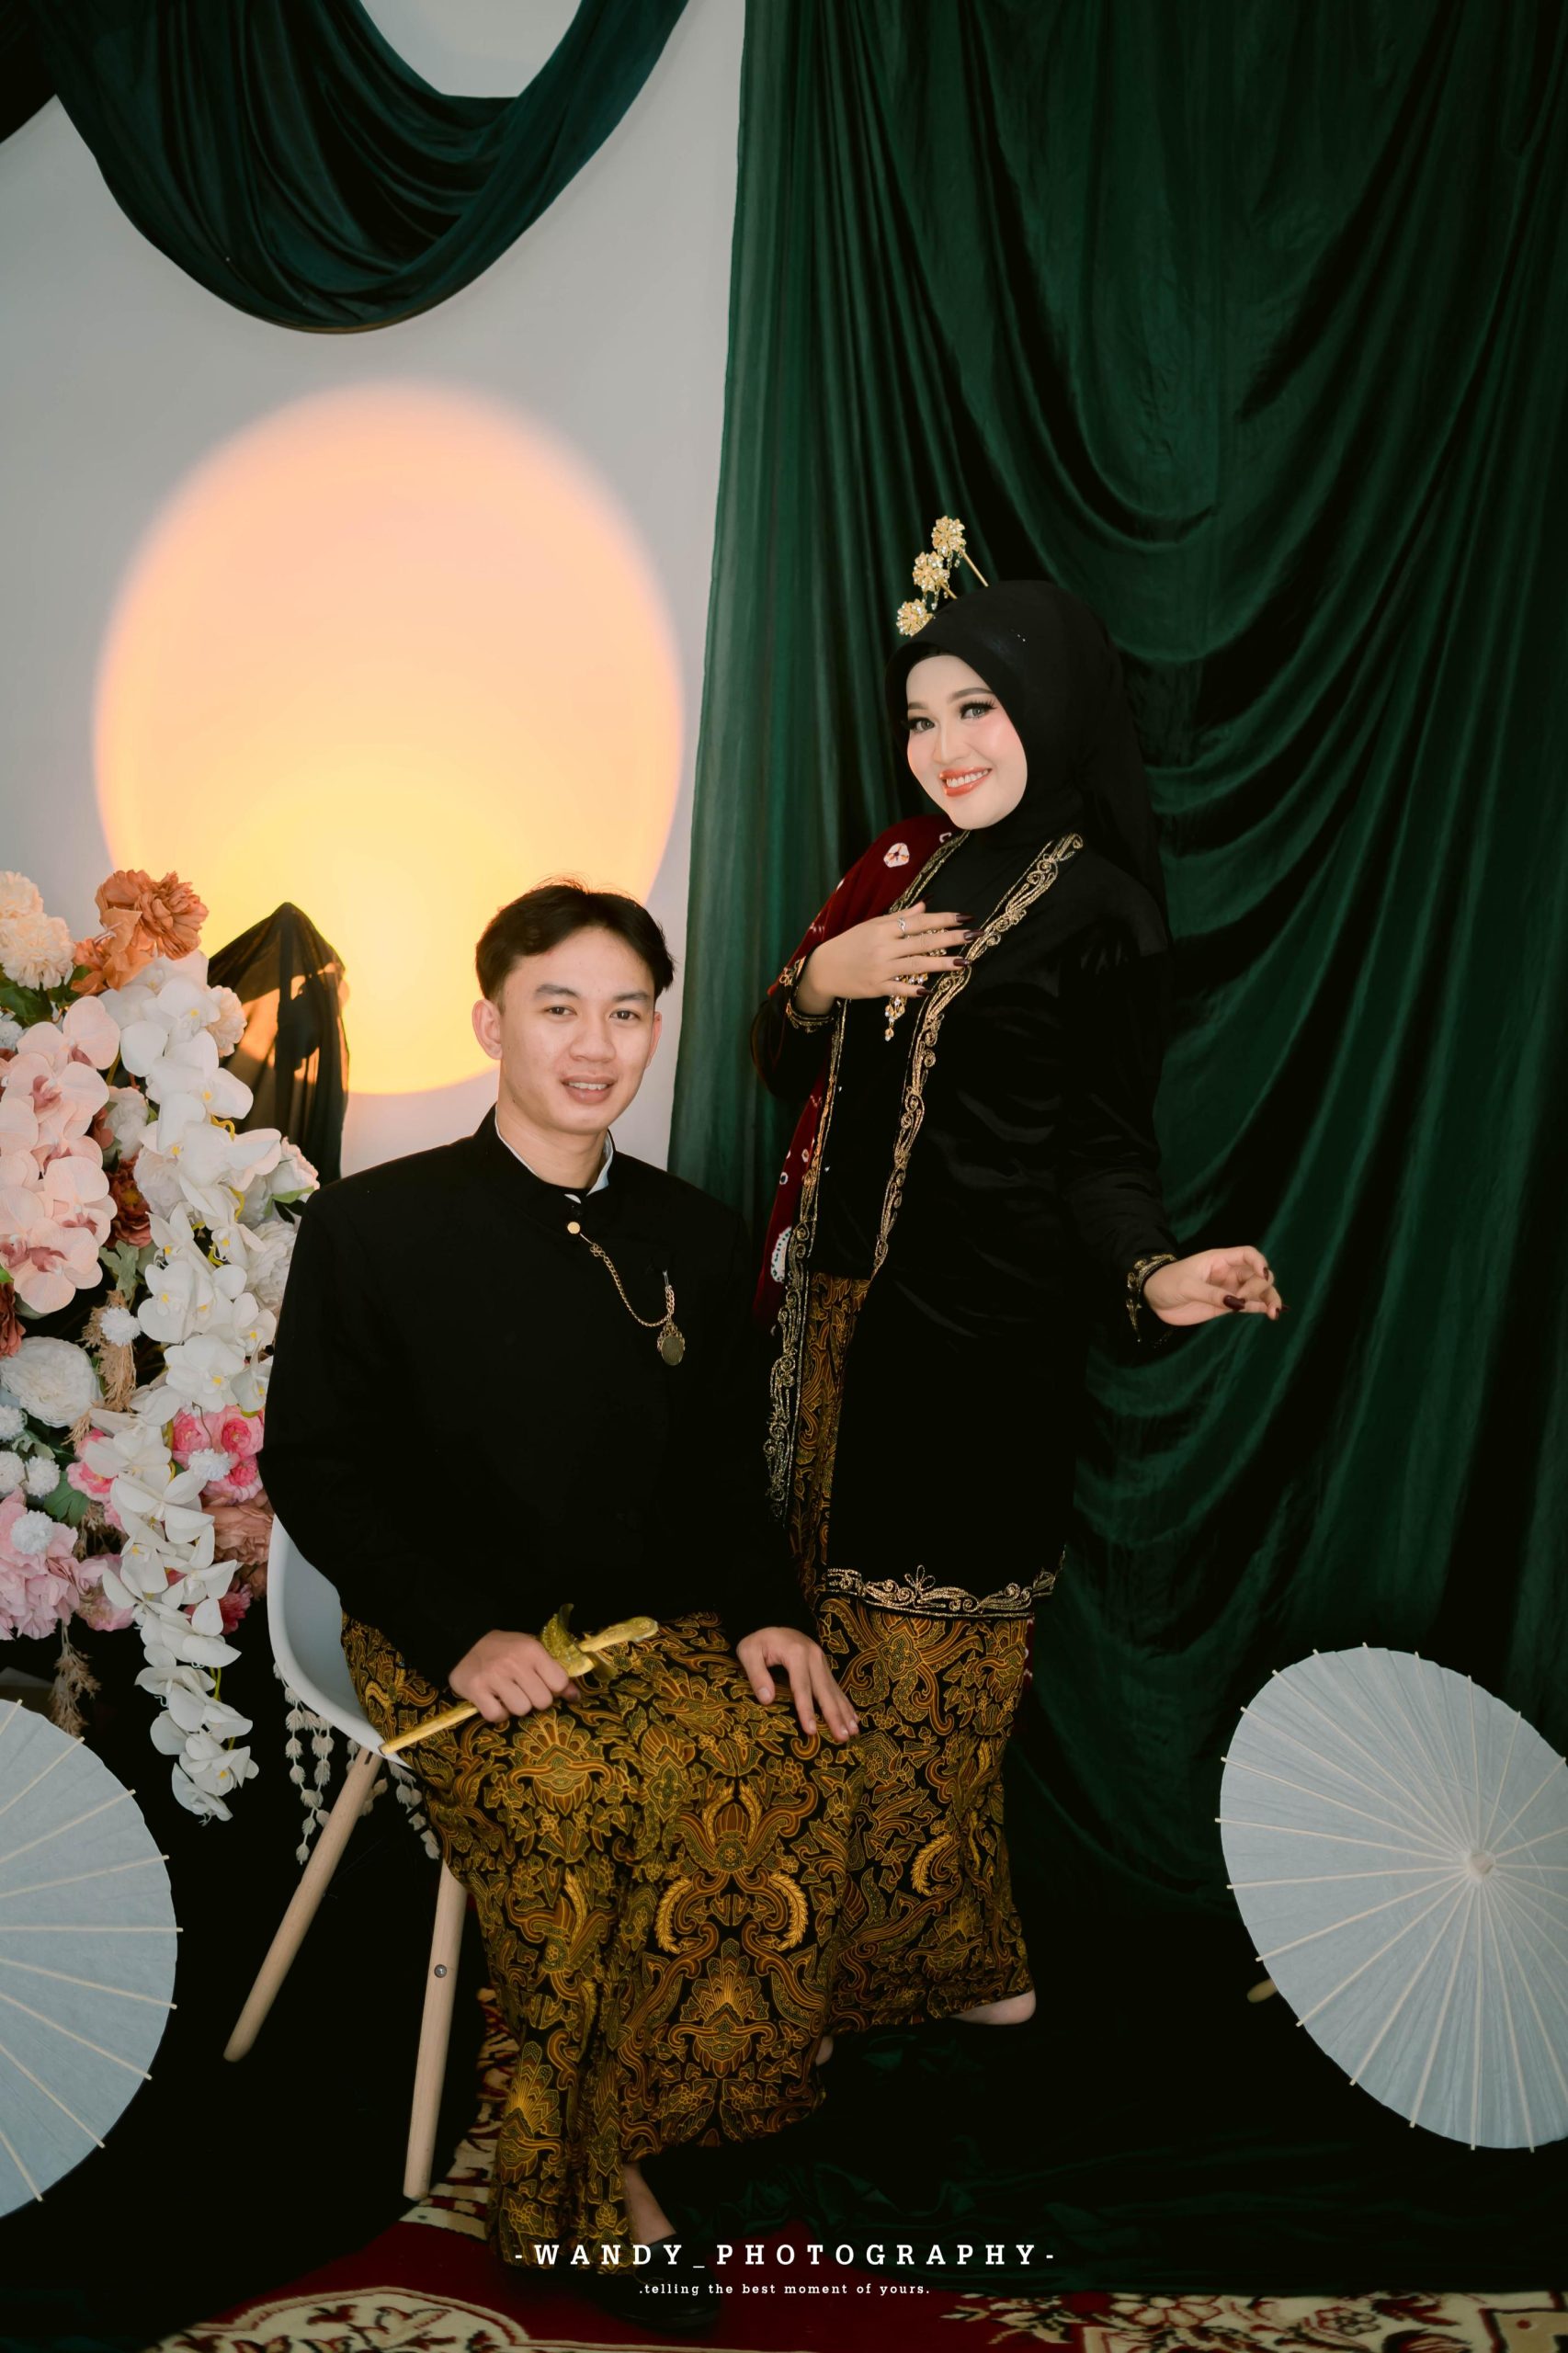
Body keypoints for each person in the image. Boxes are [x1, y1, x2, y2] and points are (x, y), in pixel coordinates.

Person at [261, 881, 858, 2327]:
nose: (595, 1045)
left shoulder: (697, 1238)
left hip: (637, 1628)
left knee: (797, 1754)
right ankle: (581, 2199)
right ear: (493, 1025)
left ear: (656, 1030)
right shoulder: (372, 1226)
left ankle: (681, 2100)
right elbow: (315, 1467)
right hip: (441, 1631)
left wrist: (767, 1612)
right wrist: (458, 1633)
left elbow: (721, 1474)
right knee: (575, 1798)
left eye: (627, 1012)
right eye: (558, 1007)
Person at [751, 575, 1280, 2048]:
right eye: (919, 719)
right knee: (820, 1644)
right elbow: (785, 1061)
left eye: (975, 709)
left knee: (927, 1670)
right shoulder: (907, 871)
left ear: (1047, 707)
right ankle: (962, 1959)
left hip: (977, 1352)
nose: (944, 747)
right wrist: (820, 982)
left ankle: (878, 1974)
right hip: (835, 1330)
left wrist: (1152, 1273)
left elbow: (1104, 1151)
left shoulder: (1101, 909)